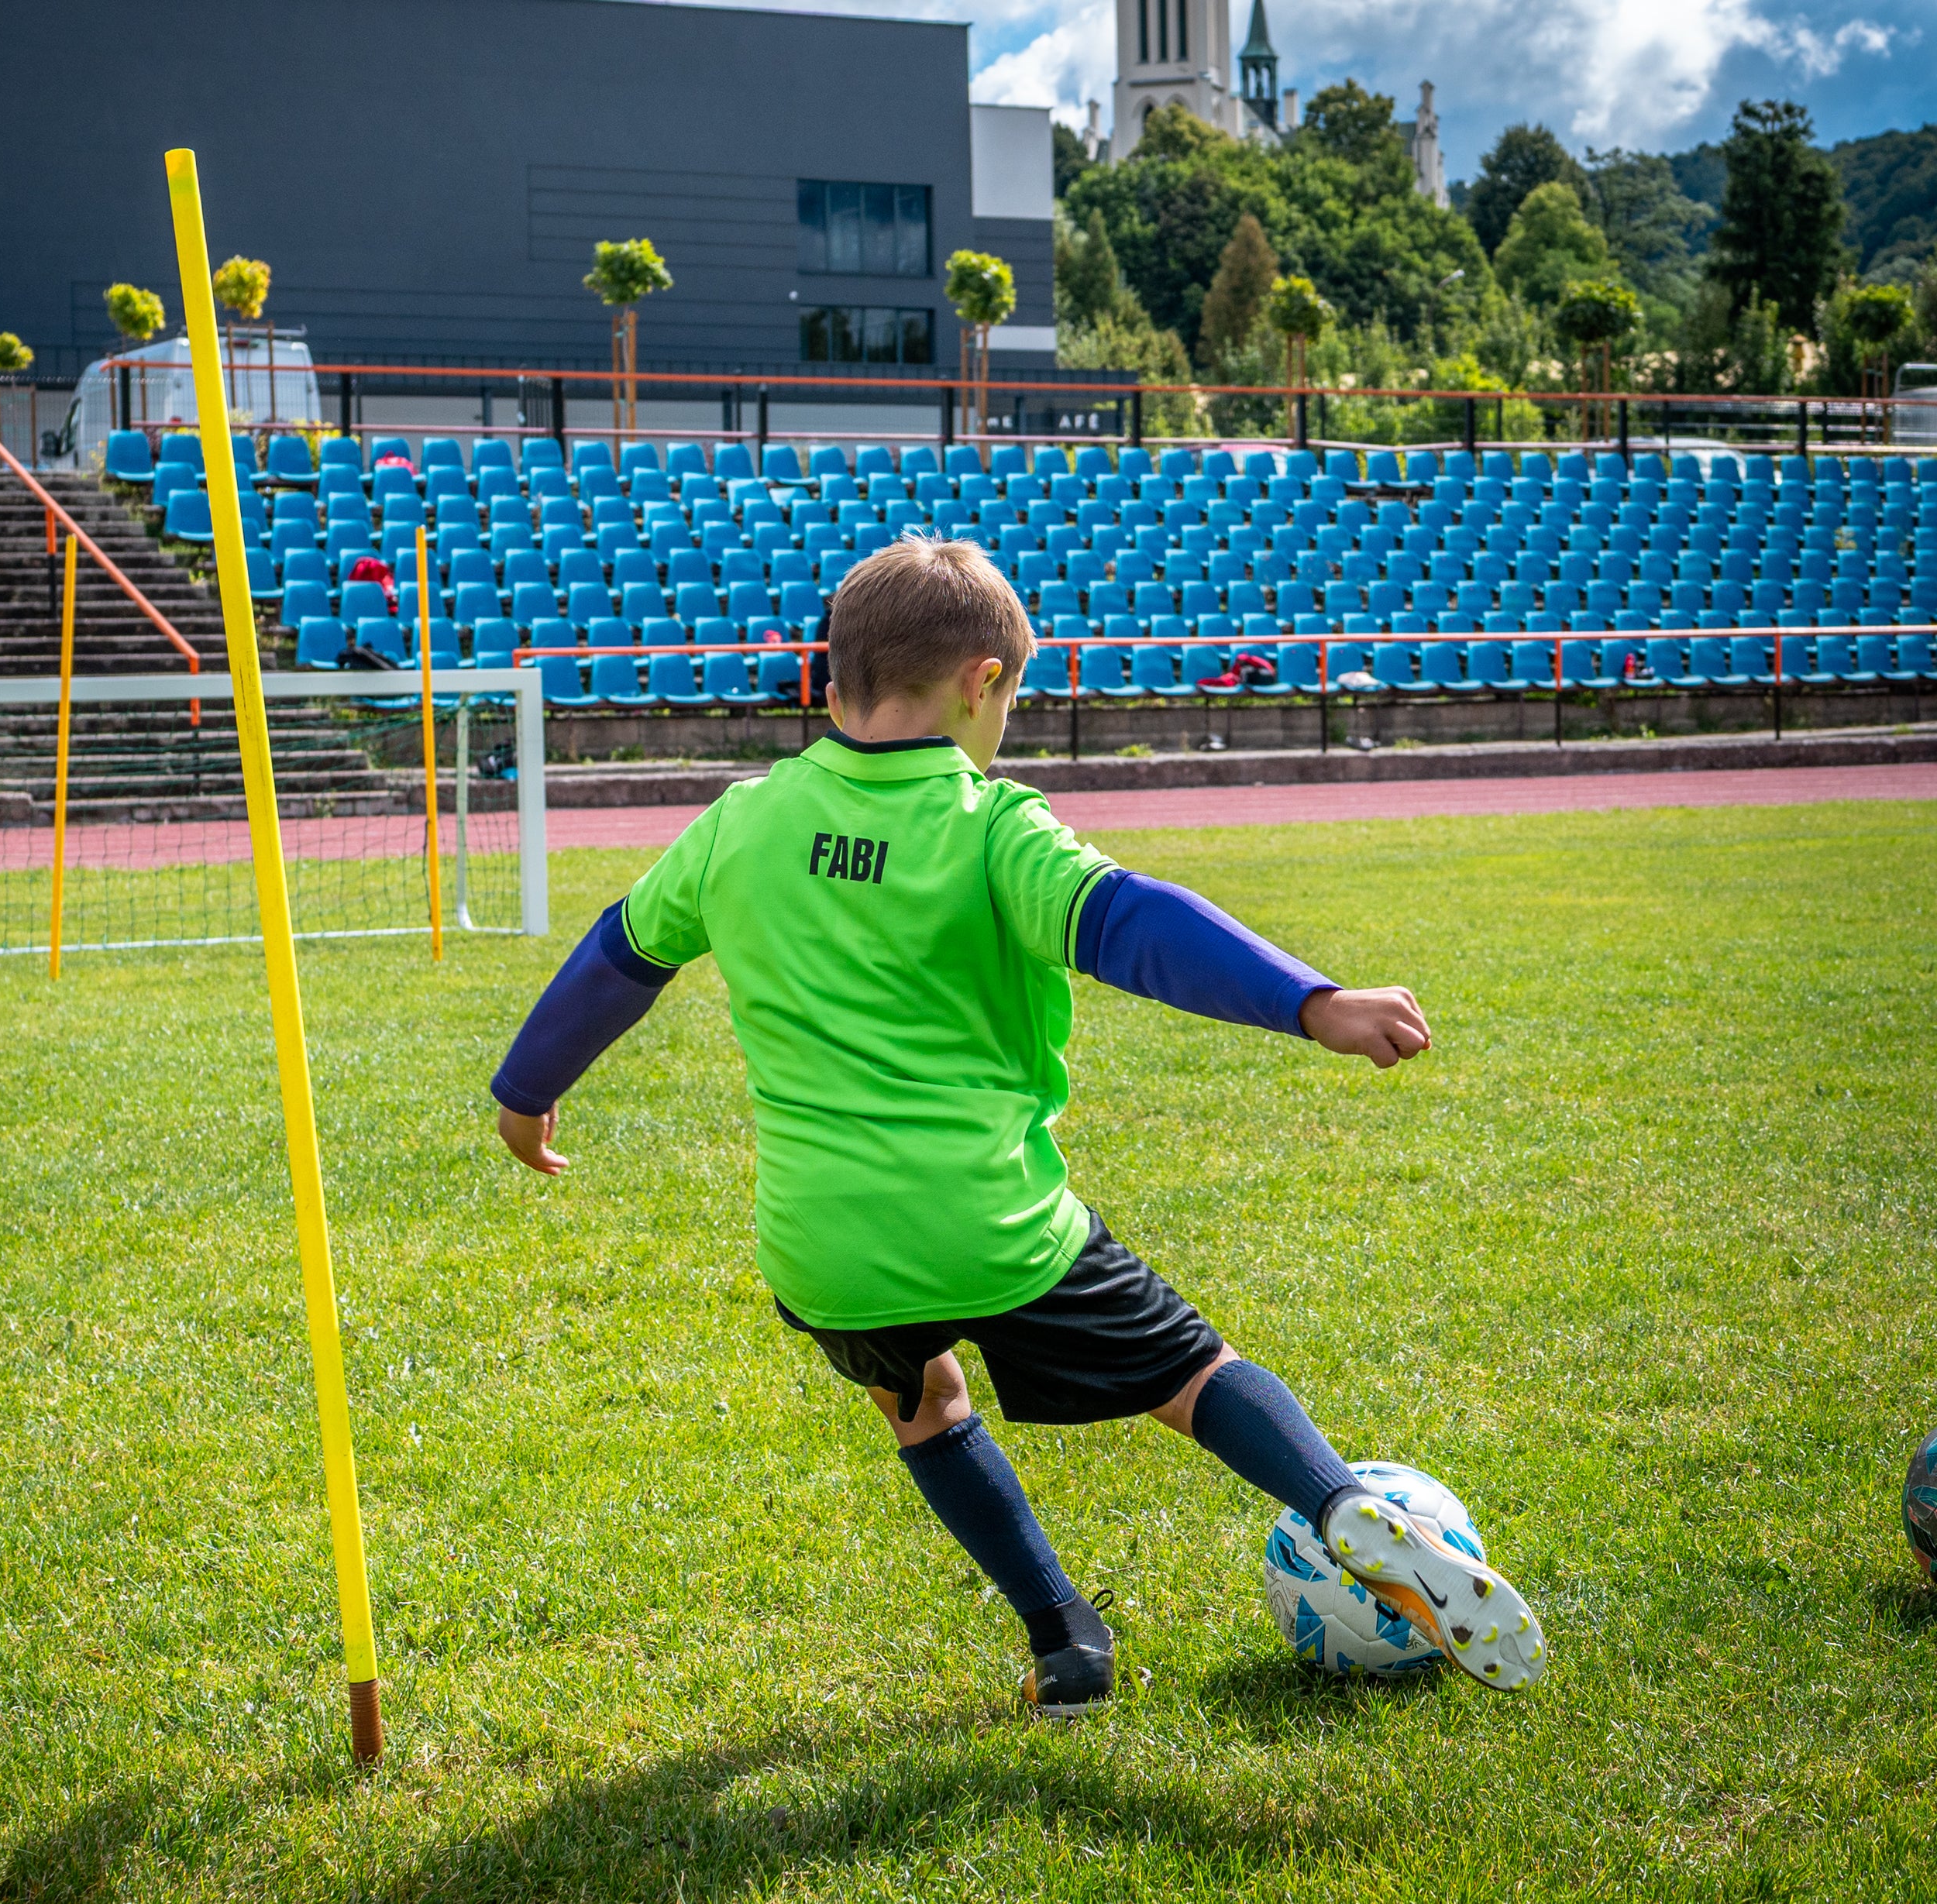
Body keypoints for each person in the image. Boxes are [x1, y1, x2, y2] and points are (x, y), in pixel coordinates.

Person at [490, 536, 1543, 1712]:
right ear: (983, 682)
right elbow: (1138, 923)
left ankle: (1063, 1639)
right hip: (995, 1223)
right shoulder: (990, 825)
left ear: (831, 681)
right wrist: (1314, 1001)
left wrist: (526, 1089)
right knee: (1192, 1371)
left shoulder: (742, 822)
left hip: (826, 1248)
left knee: (926, 1401)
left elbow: (616, 958)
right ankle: (1337, 1498)